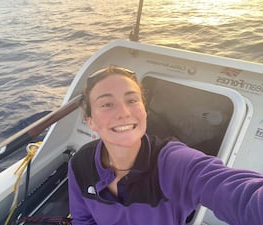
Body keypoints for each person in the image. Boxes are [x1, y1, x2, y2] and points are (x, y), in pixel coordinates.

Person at [68, 65, 263, 225]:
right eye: (107, 104)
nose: (124, 112)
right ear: (91, 121)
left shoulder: (175, 162)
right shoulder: (80, 164)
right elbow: (83, 219)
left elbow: (242, 196)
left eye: (132, 100)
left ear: (144, 111)